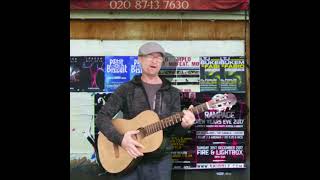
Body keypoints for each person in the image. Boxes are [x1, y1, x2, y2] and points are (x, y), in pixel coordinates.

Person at [96, 42, 196, 180]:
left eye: (159, 57)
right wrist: (121, 139)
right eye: (149, 56)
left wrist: (185, 126)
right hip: (127, 156)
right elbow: (101, 118)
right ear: (140, 59)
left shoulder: (172, 93)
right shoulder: (126, 89)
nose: (154, 60)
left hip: (159, 160)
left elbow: (175, 131)